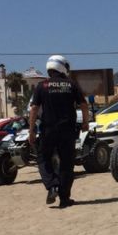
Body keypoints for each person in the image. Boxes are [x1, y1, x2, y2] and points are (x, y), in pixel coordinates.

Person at [29, 55, 89, 208]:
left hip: (48, 129)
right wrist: (86, 123)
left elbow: (34, 109)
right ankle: (64, 199)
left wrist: (31, 131)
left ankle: (52, 186)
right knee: (67, 164)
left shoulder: (41, 86)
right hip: (68, 130)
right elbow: (83, 104)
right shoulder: (71, 84)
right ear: (62, 67)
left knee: (43, 159)